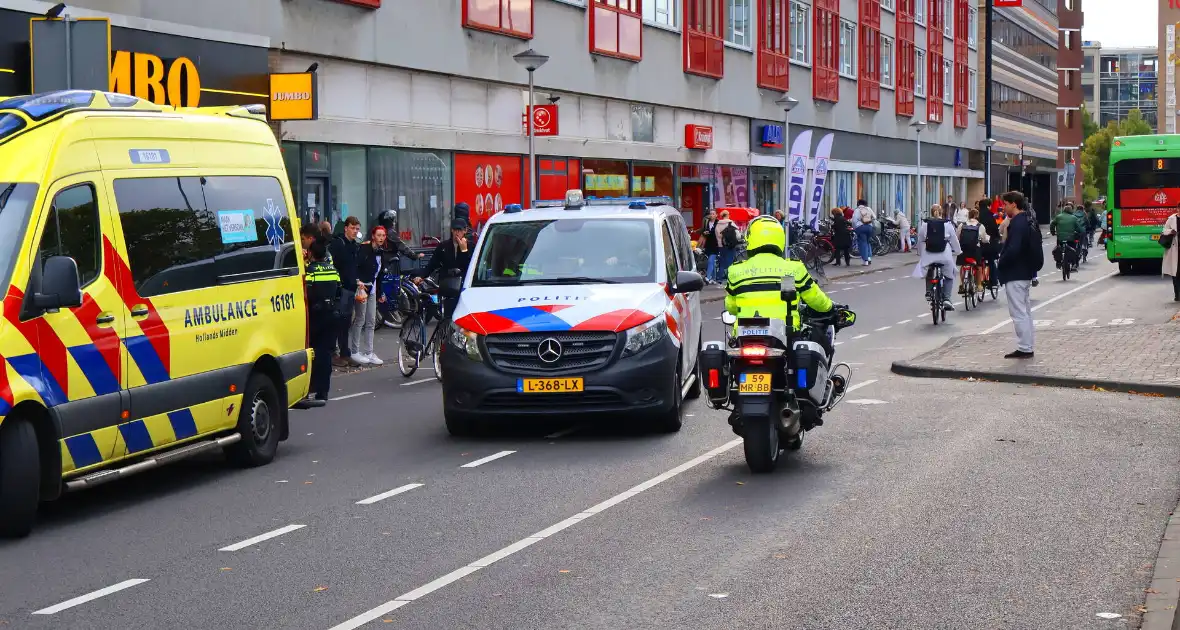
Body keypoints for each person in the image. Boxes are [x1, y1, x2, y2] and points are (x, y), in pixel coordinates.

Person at [725, 217, 833, 336]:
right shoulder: (792, 269)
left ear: (750, 239)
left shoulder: (736, 270)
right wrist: (830, 307)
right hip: (785, 333)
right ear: (780, 239)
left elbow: (731, 307)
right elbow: (815, 299)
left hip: (744, 335)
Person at [996, 190, 1042, 358]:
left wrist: (1001, 262)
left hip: (1015, 273)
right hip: (1025, 271)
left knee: (1018, 312)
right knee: (1025, 311)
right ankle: (1027, 345)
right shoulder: (1028, 220)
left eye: (1005, 204)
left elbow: (1013, 248)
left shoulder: (1017, 223)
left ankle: (1025, 347)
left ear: (1013, 204)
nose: (1003, 208)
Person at [305, 237, 341, 402]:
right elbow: (339, 291)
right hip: (332, 314)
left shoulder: (310, 271)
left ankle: (307, 388)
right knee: (326, 353)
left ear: (311, 253)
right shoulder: (333, 270)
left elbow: (308, 292)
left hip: (315, 315)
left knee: (312, 352)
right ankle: (323, 391)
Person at [419, 219, 474, 321]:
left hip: (463, 284)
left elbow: (468, 266)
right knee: (448, 315)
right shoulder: (443, 246)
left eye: (460, 230)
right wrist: (422, 276)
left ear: (465, 231)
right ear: (452, 231)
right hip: (448, 284)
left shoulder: (471, 245)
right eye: (455, 230)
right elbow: (432, 264)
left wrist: (464, 251)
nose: (457, 233)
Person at [354, 225, 391, 366]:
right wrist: (358, 281)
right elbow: (357, 266)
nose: (381, 238)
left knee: (371, 321)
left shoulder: (381, 252)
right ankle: (355, 350)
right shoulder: (365, 249)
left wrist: (380, 291)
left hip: (373, 288)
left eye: (383, 235)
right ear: (373, 236)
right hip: (363, 287)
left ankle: (369, 352)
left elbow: (380, 274)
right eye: (379, 235)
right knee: (360, 319)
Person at [912, 204, 961, 311]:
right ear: (941, 212)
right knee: (949, 275)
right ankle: (946, 299)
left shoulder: (925, 224)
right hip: (945, 254)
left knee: (929, 269)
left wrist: (920, 253)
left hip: (929, 253)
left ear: (931, 212)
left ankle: (929, 292)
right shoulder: (947, 224)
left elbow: (920, 240)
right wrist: (958, 251)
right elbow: (954, 240)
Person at [329, 216, 362, 366]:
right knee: (337, 321)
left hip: (351, 288)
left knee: (346, 322)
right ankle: (334, 353)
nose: (355, 232)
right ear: (346, 228)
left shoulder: (355, 246)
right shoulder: (338, 244)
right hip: (340, 288)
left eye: (357, 229)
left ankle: (345, 353)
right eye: (353, 228)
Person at [956, 207, 990, 293]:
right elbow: (984, 239)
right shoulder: (980, 226)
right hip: (975, 250)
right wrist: (988, 240)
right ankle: (979, 285)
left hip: (963, 249)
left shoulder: (962, 225)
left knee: (963, 265)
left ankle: (961, 285)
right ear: (976, 216)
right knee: (978, 266)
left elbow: (957, 236)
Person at [1050, 203, 1082, 270]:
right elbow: (1079, 228)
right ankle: (1073, 264)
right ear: (1071, 211)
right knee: (1073, 249)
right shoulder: (1074, 218)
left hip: (1060, 237)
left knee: (1058, 248)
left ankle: (1058, 262)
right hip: (1071, 238)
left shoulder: (1058, 217)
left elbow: (1052, 224)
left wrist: (1053, 232)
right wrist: (1078, 232)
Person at [1162, 206, 1180, 301]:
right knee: (1175, 273)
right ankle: (1177, 294)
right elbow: (1164, 231)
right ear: (1178, 208)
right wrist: (1171, 231)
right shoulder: (1172, 219)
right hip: (1175, 249)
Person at [852, 199, 876, 266]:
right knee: (868, 242)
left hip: (861, 227)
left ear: (858, 204)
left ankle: (865, 261)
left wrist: (855, 227)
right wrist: (869, 221)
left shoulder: (857, 210)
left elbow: (854, 221)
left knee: (863, 243)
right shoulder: (869, 209)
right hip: (869, 227)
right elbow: (875, 217)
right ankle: (869, 258)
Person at [715, 210, 739, 279]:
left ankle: (720, 278)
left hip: (721, 246)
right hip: (730, 245)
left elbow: (717, 235)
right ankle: (730, 277)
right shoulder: (731, 223)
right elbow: (737, 234)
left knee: (722, 262)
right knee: (730, 261)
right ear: (728, 215)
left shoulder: (718, 224)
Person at [699, 210, 721, 283]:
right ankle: (713, 278)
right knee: (712, 262)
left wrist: (711, 232)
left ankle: (708, 277)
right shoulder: (707, 222)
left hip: (715, 244)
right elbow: (704, 230)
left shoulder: (718, 223)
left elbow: (719, 233)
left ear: (716, 215)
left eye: (713, 214)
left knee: (710, 261)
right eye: (710, 214)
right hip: (708, 244)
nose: (711, 215)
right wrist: (704, 233)